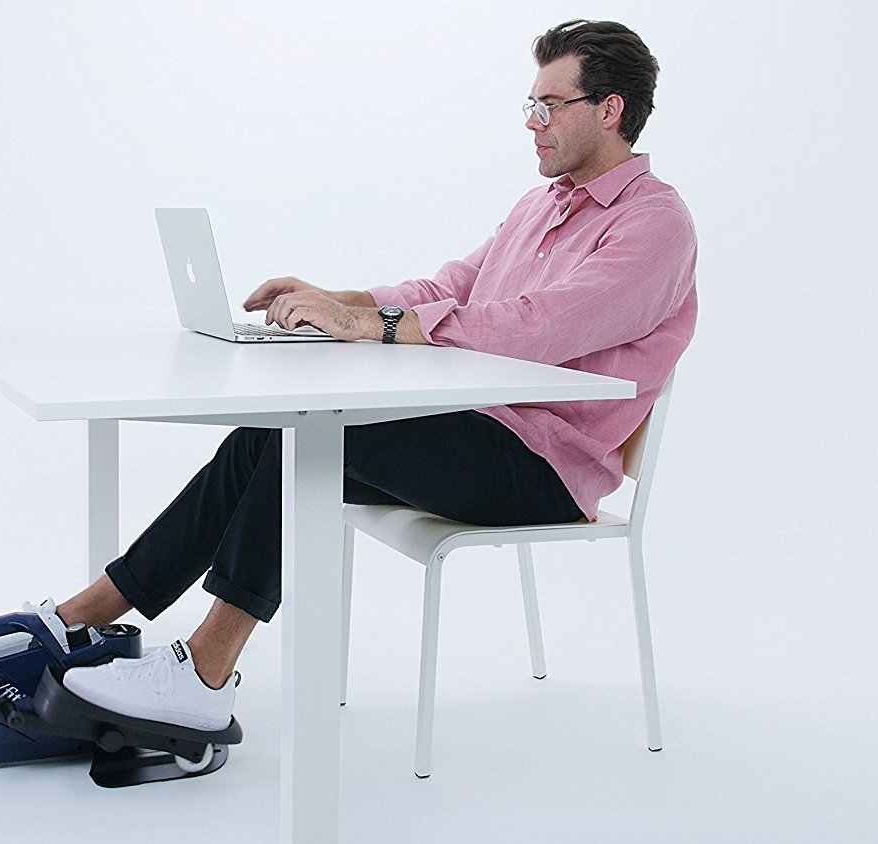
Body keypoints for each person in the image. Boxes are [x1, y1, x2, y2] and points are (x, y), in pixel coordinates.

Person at [48, 19, 698, 733]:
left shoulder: (654, 224)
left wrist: (370, 327)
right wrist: (338, 301)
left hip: (543, 468)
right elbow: (453, 284)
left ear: (610, 110)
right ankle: (90, 616)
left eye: (551, 106)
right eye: (530, 107)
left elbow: (542, 326)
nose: (534, 124)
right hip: (482, 431)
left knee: (318, 438)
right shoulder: (541, 207)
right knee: (266, 436)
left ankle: (205, 672)